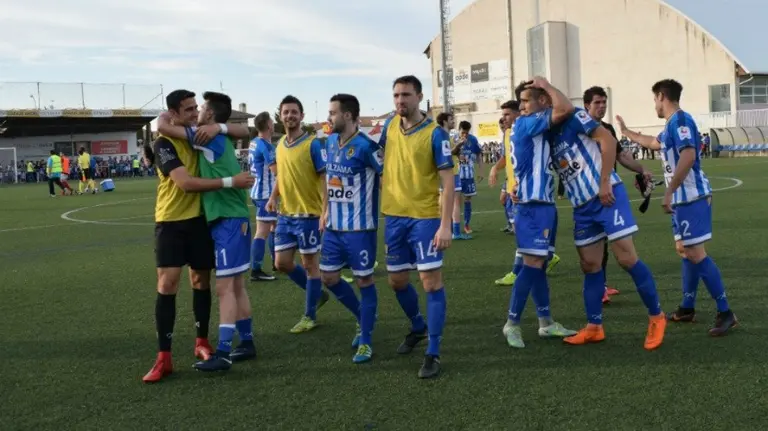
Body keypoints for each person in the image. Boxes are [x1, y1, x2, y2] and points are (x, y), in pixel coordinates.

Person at [544, 81, 666, 350]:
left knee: (626, 258)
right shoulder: (544, 133)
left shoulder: (575, 116)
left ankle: (657, 316)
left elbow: (609, 142)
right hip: (582, 206)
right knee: (590, 264)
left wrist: (603, 183)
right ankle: (594, 326)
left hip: (607, 196)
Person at [142, 89, 253, 383]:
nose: (194, 113)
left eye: (196, 108)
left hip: (202, 221)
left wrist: (218, 126)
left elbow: (246, 129)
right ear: (175, 113)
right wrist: (232, 181)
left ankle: (203, 342)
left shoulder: (200, 134)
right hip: (170, 221)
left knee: (203, 281)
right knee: (167, 284)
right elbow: (186, 183)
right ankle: (163, 356)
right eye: (188, 109)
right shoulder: (165, 142)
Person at [616, 79, 737, 336]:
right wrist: (627, 132)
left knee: (695, 253)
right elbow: (652, 142)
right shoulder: (671, 125)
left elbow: (689, 155)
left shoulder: (681, 121)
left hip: (690, 196)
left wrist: (669, 191)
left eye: (654, 100)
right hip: (683, 200)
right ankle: (687, 307)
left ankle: (726, 312)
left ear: (661, 96)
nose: (654, 105)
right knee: (684, 250)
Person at [380, 75, 452, 379]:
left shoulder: (436, 134)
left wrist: (445, 225)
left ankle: (433, 351)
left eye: (406, 95)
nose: (400, 101)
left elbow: (448, 182)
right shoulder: (388, 126)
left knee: (431, 283)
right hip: (393, 216)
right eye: (396, 95)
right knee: (396, 281)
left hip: (424, 217)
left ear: (419, 97)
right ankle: (418, 326)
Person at [500, 81, 576, 349]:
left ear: (542, 101)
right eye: (519, 102)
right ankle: (512, 323)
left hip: (543, 203)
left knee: (539, 266)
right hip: (532, 205)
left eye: (526, 101)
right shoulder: (526, 123)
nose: (521, 107)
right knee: (532, 265)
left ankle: (546, 323)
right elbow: (565, 107)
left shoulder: (535, 125)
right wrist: (546, 84)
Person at [320, 94, 383, 364]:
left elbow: (388, 176)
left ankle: (366, 341)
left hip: (360, 228)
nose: (328, 117)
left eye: (332, 112)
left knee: (364, 281)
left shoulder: (367, 147)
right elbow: (328, 180)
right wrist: (324, 210)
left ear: (347, 115)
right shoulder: (331, 142)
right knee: (329, 278)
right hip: (334, 226)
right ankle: (362, 316)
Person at [582, 86, 654, 304]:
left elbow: (622, 156)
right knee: (593, 251)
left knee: (617, 247)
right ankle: (599, 290)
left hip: (609, 194)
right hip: (588, 196)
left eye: (604, 102)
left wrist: (641, 169)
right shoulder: (577, 129)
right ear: (586, 106)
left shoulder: (607, 129)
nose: (602, 106)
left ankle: (602, 287)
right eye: (597, 102)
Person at [266, 95, 330, 334]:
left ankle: (309, 315)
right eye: (286, 112)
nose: (290, 116)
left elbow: (324, 178)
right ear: (280, 115)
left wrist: (325, 211)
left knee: (310, 264)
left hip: (309, 214)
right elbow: (281, 175)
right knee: (281, 263)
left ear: (302, 116)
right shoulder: (280, 144)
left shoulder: (313, 144)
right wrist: (273, 197)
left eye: (294, 112)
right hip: (286, 214)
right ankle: (318, 293)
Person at [490, 100, 561, 287]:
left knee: (521, 232)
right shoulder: (508, 134)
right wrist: (503, 184)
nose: (502, 118)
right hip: (514, 188)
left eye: (507, 114)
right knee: (519, 231)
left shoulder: (527, 130)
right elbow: (510, 161)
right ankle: (546, 257)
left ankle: (517, 271)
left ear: (517, 114)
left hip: (527, 192)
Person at [248, 111, 278, 282]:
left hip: (257, 191)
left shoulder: (254, 142)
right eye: (272, 122)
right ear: (268, 125)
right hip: (266, 194)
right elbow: (276, 172)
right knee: (262, 231)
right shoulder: (266, 146)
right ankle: (256, 270)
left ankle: (276, 262)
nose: (273, 124)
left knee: (275, 225)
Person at [455, 121, 483, 235]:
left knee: (467, 199)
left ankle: (466, 224)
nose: (465, 135)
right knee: (455, 201)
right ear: (459, 130)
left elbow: (479, 155)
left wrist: (481, 172)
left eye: (467, 133)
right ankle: (454, 225)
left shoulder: (473, 140)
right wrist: (459, 145)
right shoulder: (454, 139)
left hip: (469, 176)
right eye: (463, 132)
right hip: (456, 175)